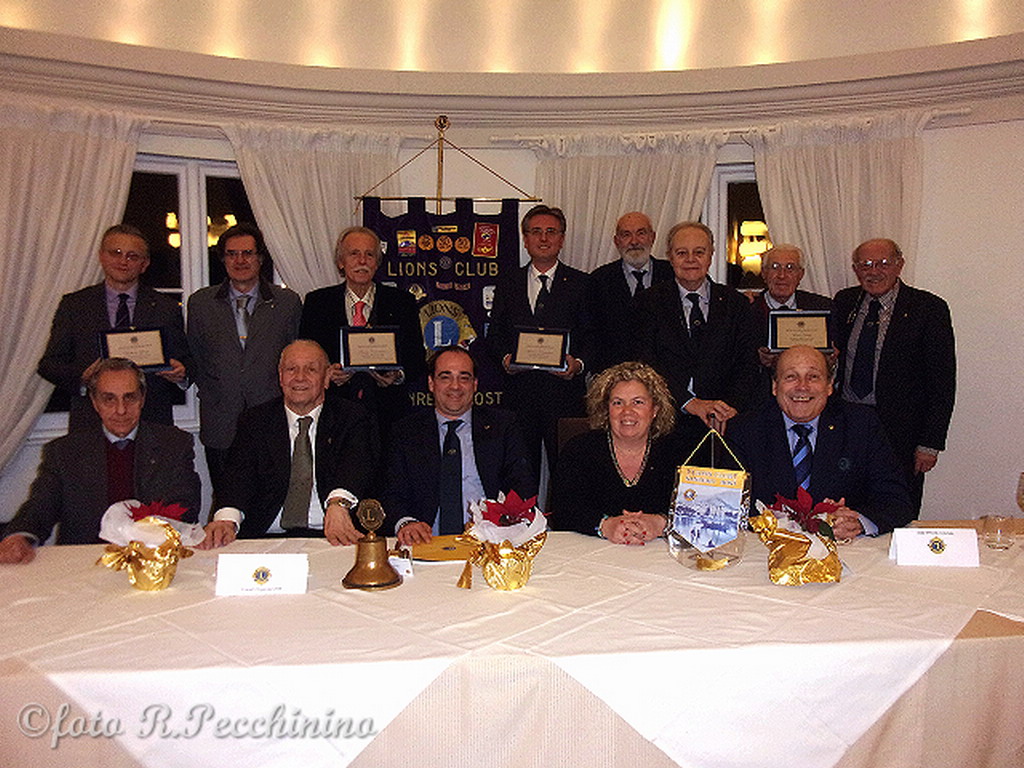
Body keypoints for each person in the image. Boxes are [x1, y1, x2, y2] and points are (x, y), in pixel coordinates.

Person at [0, 358, 200, 562]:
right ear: (95, 402)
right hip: (85, 562)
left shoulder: (174, 444)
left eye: (130, 398)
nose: (121, 410)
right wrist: (19, 537)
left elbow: (185, 507)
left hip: (152, 558)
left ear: (142, 399)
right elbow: (40, 507)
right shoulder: (64, 452)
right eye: (109, 399)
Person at [200, 340, 376, 548]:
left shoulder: (352, 417)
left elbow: (355, 467)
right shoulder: (255, 421)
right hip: (266, 535)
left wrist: (339, 504)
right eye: (291, 369)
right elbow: (237, 479)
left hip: (332, 536)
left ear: (327, 377)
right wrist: (226, 520)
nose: (300, 377)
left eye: (311, 369)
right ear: (280, 376)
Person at [729, 345, 913, 537]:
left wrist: (857, 521)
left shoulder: (861, 425)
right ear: (775, 386)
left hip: (846, 548)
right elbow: (728, 505)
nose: (802, 386)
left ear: (829, 385)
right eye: (791, 377)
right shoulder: (744, 430)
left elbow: (897, 501)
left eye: (813, 377)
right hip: (767, 547)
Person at [831, 238, 956, 512]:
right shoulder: (845, 302)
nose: (874, 271)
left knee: (898, 508)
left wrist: (930, 443)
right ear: (855, 269)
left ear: (900, 265)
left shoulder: (928, 308)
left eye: (883, 263)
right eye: (865, 264)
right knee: (846, 507)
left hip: (902, 432)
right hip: (849, 424)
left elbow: (942, 382)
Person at [186, 223, 301, 497]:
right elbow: (196, 357)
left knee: (271, 499)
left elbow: (295, 357)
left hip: (272, 420)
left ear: (260, 258)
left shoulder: (287, 302)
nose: (240, 260)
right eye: (232, 254)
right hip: (220, 422)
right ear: (223, 259)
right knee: (226, 499)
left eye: (247, 253)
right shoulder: (201, 303)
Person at [38, 224, 190, 430]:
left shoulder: (166, 307)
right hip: (91, 423)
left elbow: (186, 359)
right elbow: (49, 364)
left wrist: (182, 372)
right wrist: (82, 377)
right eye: (116, 253)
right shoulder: (75, 305)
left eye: (132, 256)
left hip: (152, 422)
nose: (123, 261)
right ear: (102, 256)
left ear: (144, 264)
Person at [383, 345, 536, 546]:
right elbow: (391, 492)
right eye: (445, 377)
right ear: (431, 383)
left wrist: (502, 525)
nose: (455, 386)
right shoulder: (405, 431)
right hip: (425, 543)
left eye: (464, 378)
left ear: (475, 384)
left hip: (490, 543)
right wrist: (406, 523)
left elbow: (522, 485)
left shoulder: (504, 426)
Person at [486, 204, 593, 479]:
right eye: (536, 232)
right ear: (525, 239)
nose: (543, 238)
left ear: (562, 239)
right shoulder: (508, 281)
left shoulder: (582, 283)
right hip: (519, 397)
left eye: (551, 232)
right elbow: (495, 334)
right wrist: (505, 359)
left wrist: (578, 364)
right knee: (521, 475)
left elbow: (593, 336)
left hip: (565, 397)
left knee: (569, 474)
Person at [634, 221, 758, 451]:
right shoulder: (647, 302)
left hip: (724, 422)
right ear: (670, 257)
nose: (690, 259)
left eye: (699, 252)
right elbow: (646, 362)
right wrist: (689, 403)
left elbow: (747, 364)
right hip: (665, 420)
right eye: (682, 253)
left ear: (711, 255)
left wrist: (728, 407)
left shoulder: (736, 304)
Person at [299, 226, 424, 441]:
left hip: (389, 417)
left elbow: (416, 359)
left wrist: (397, 375)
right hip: (333, 415)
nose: (362, 261)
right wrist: (326, 373)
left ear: (377, 263)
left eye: (369, 254)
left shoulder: (402, 303)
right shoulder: (317, 303)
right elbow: (305, 358)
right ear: (341, 262)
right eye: (354, 253)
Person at [549, 362, 678, 544]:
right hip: (591, 551)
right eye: (618, 403)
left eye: (638, 402)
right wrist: (604, 525)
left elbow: (700, 510)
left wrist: (662, 523)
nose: (627, 411)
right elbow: (563, 511)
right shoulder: (579, 449)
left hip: (661, 551)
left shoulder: (678, 450)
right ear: (606, 409)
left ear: (655, 410)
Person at [587, 212, 674, 373]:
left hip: (665, 377)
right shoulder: (599, 280)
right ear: (616, 241)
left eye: (641, 233)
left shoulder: (672, 275)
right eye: (626, 235)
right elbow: (591, 335)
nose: (634, 241)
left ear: (652, 237)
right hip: (615, 376)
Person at [750, 245, 833, 400]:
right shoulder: (747, 311)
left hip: (809, 397)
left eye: (790, 268)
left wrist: (829, 357)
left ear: (800, 274)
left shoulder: (823, 307)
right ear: (764, 273)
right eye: (775, 267)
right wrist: (756, 358)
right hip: (759, 398)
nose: (782, 275)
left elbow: (833, 357)